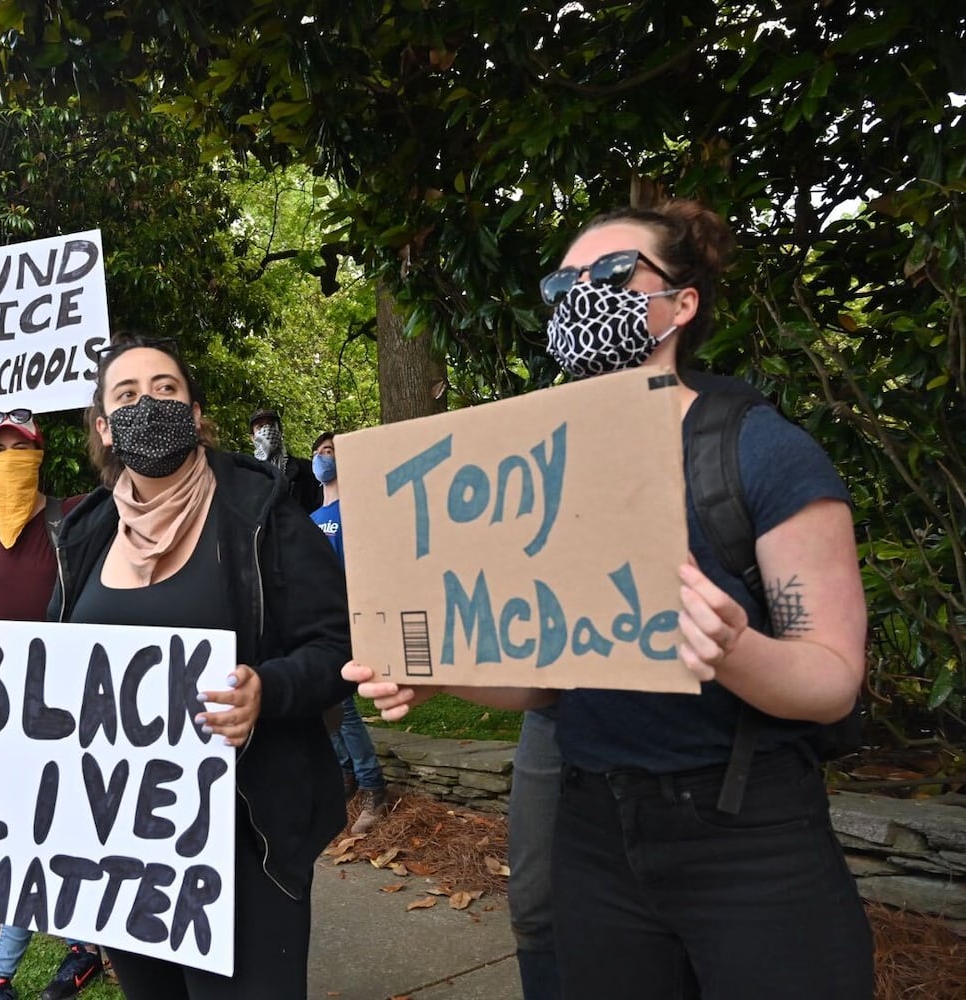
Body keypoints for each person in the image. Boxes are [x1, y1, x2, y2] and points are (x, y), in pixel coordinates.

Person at [347, 200, 872, 1000]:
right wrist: (438, 674)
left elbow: (831, 680)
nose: (578, 293)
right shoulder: (544, 469)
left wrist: (734, 648)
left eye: (609, 273)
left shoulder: (760, 451)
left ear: (680, 303)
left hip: (748, 834)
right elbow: (555, 681)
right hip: (593, 832)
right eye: (561, 281)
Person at [45, 336, 351, 998]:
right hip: (122, 847)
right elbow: (55, 668)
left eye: (165, 389)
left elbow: (338, 646)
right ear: (102, 426)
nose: (147, 404)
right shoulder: (84, 532)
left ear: (194, 410)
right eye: (125, 396)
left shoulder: (259, 512)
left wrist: (266, 691)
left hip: (245, 835)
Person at [0, 413, 100, 1000]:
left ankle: (84, 946)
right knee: (18, 832)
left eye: (21, 446)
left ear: (40, 455)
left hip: (71, 700)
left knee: (71, 824)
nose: (9, 456)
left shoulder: (75, 517)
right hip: (3, 707)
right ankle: (2, 970)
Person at [309, 431, 388, 835]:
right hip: (317, 622)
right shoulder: (309, 520)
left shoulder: (355, 512)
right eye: (319, 452)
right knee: (326, 703)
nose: (324, 459)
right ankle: (346, 776)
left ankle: (373, 786)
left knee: (345, 706)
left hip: (348, 619)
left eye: (331, 452)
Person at [249, 408, 323, 513]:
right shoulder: (247, 475)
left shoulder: (306, 470)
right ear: (252, 437)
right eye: (260, 426)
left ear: (280, 431)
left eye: (271, 425)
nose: (267, 429)